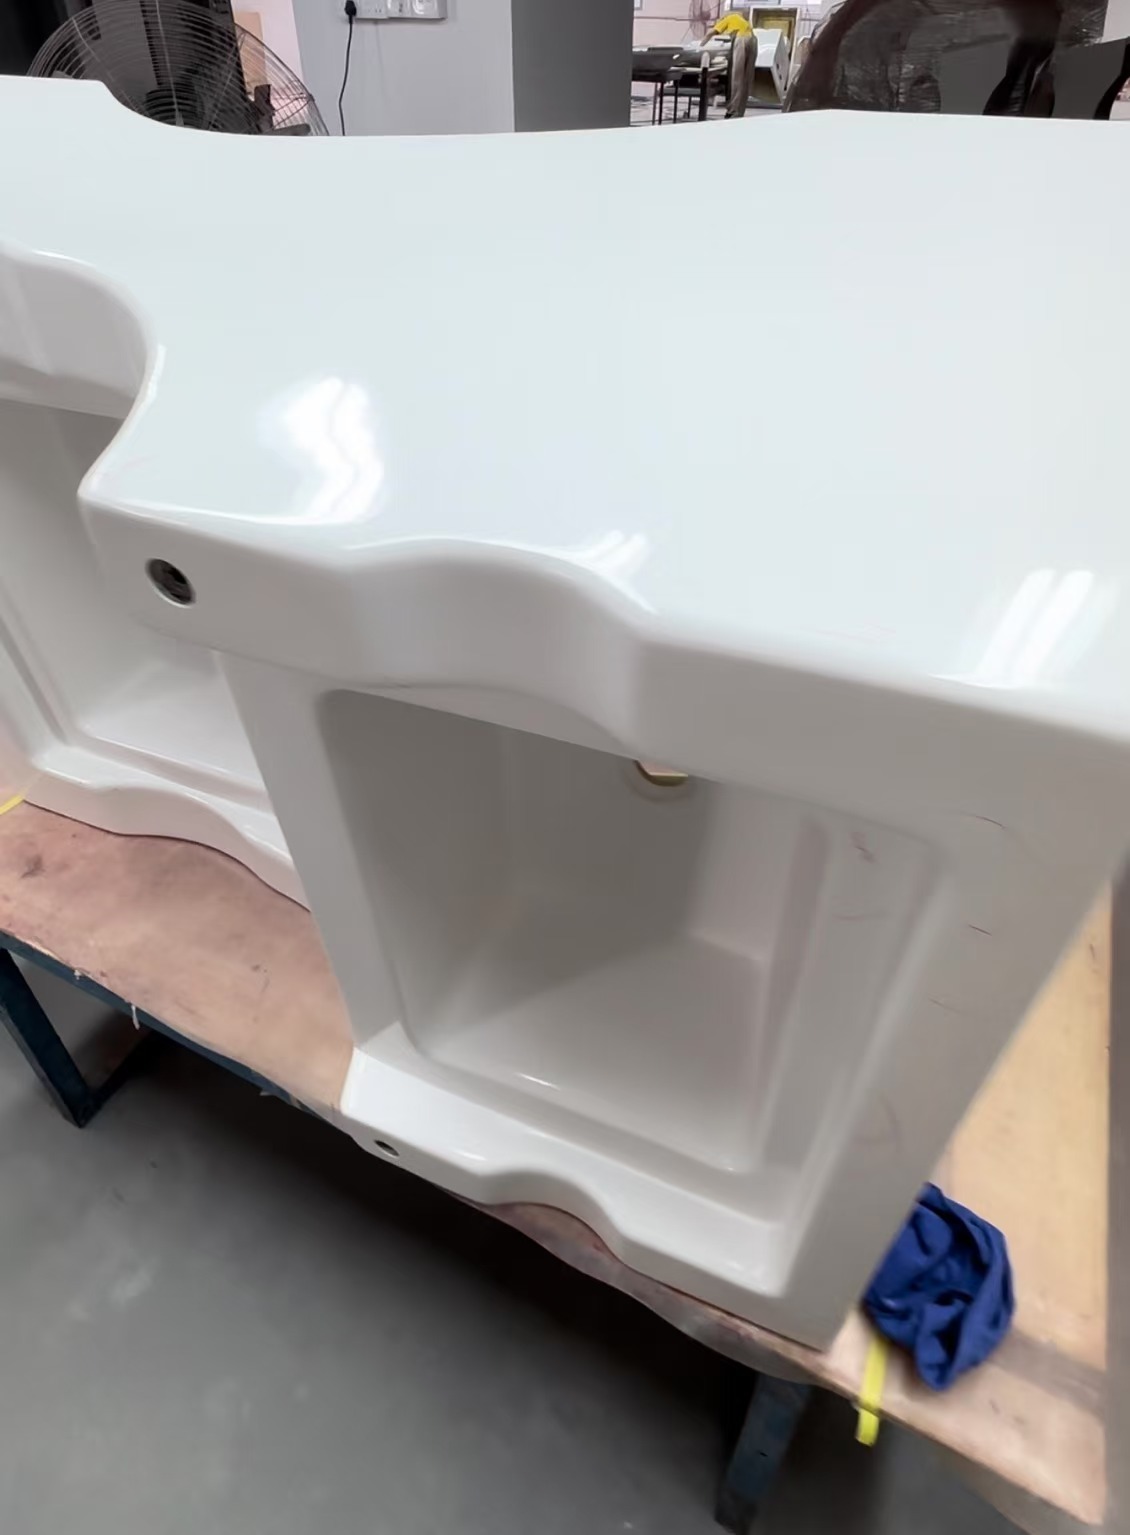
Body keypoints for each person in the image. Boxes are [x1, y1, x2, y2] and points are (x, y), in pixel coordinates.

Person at [704, 10, 759, 116]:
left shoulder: (728, 18)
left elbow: (710, 33)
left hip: (741, 40)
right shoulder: (743, 21)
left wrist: (700, 46)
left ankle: (732, 111)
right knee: (746, 79)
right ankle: (740, 112)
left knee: (736, 77)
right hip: (753, 41)